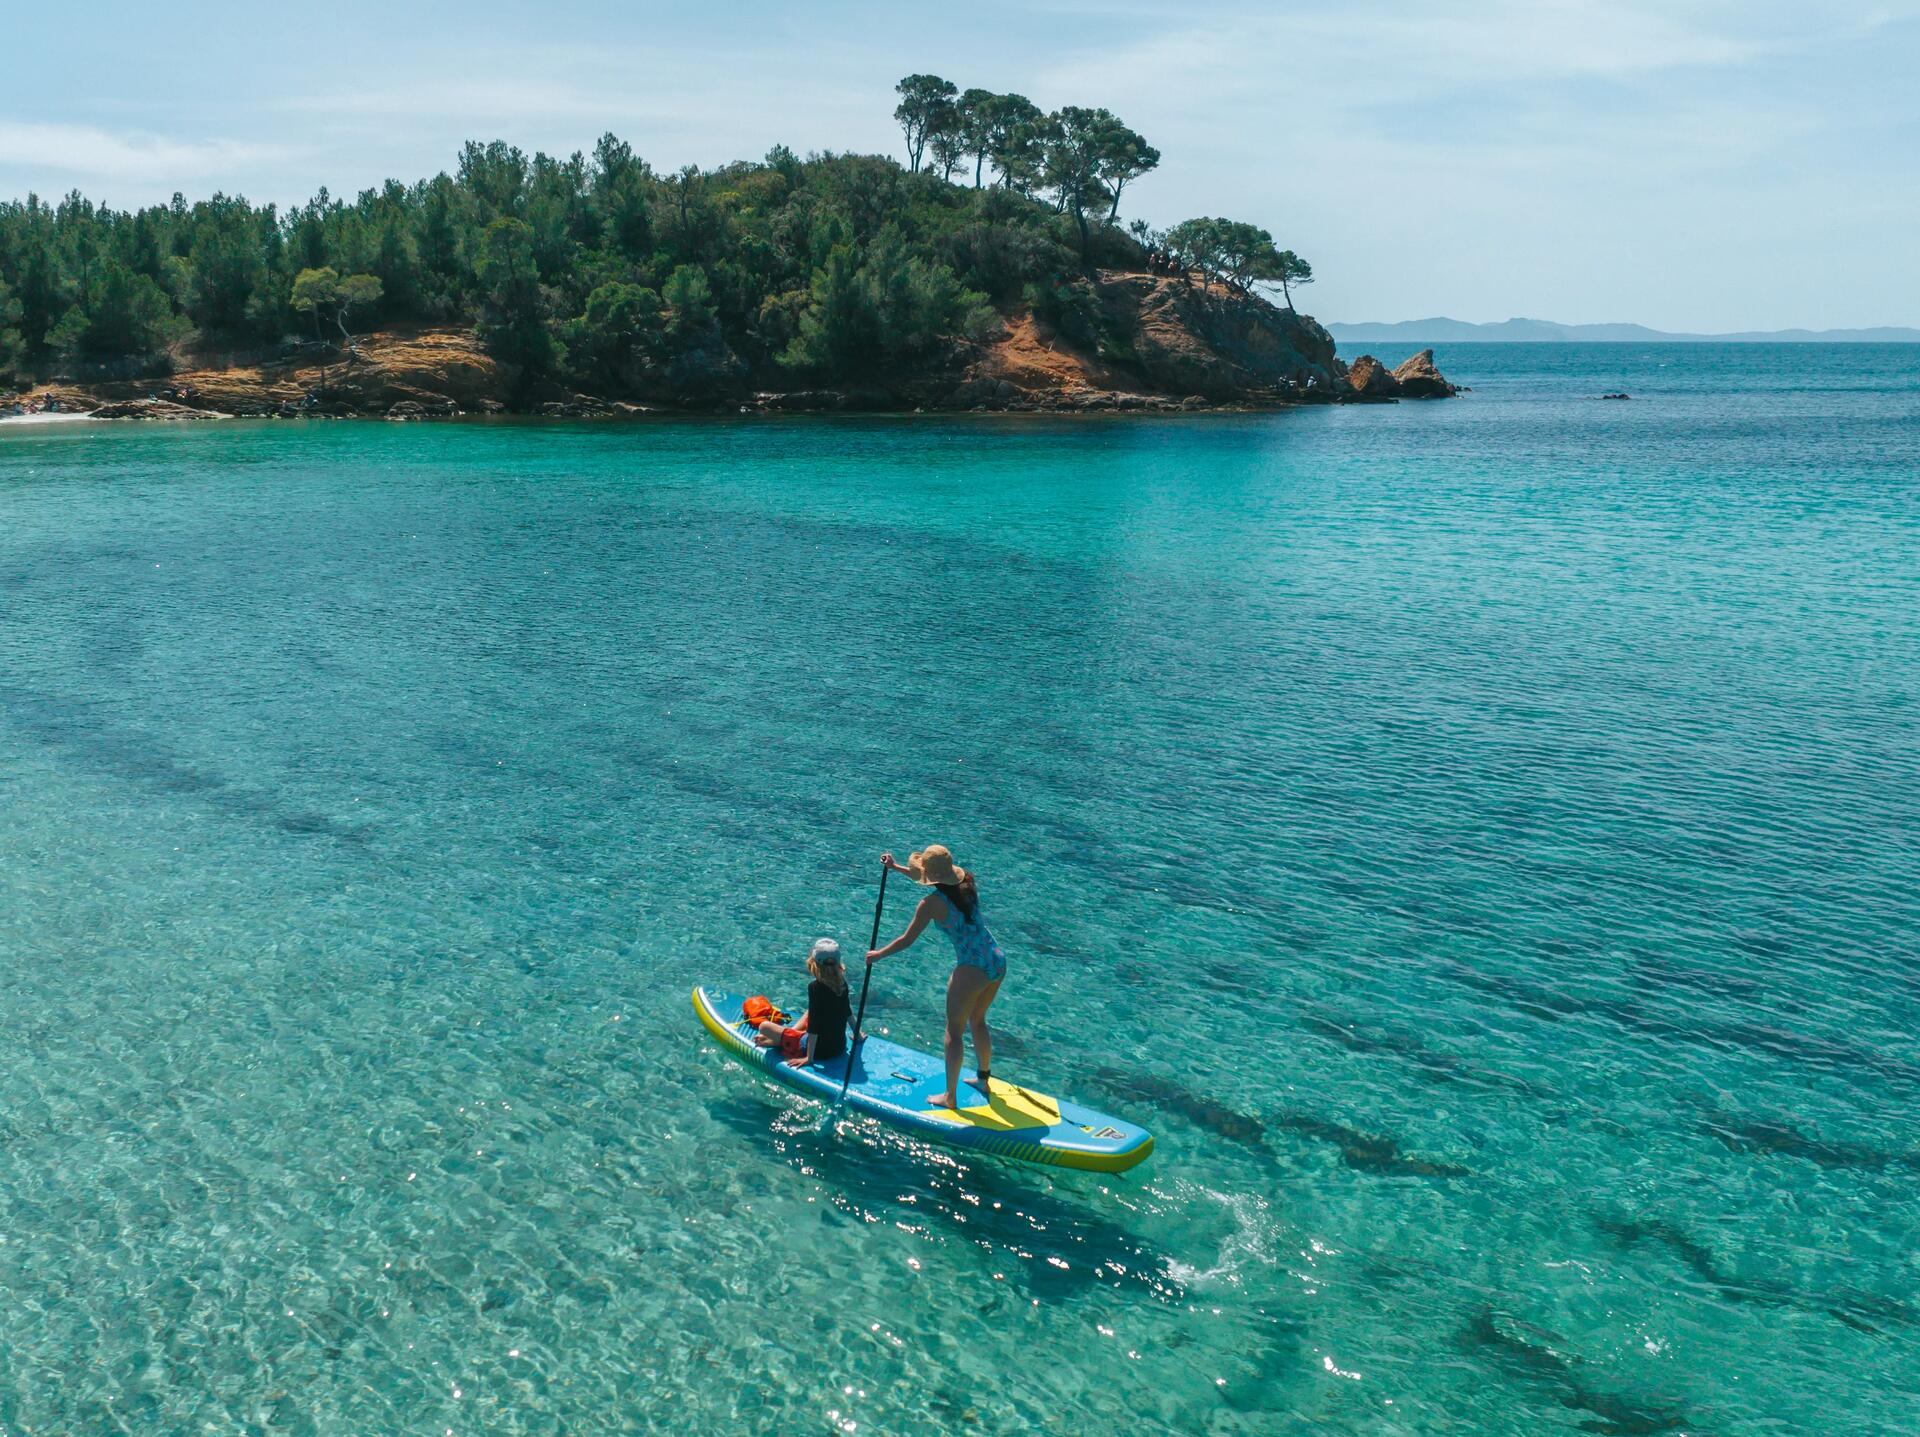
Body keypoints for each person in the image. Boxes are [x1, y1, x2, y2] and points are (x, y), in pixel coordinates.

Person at [866, 845, 1005, 1109]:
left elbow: (907, 940)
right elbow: (927, 878)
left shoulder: (930, 905)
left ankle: (950, 1098)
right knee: (978, 1020)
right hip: (996, 960)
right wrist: (895, 868)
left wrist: (878, 954)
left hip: (971, 968)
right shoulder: (968, 885)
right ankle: (983, 1079)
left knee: (954, 1032)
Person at [753, 938, 852, 1069]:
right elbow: (847, 1011)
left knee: (764, 1027)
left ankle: (783, 1040)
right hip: (838, 1046)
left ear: (814, 962)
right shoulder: (841, 983)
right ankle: (788, 1036)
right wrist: (858, 1035)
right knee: (810, 1011)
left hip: (819, 1051)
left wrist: (809, 1058)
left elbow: (814, 1026)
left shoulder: (815, 988)